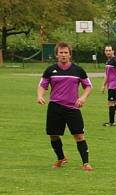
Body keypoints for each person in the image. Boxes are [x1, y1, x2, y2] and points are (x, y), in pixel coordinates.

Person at [37, 41, 93, 171]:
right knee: (53, 134)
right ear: (56, 55)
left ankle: (86, 163)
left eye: (66, 53)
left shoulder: (78, 70)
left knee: (79, 135)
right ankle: (61, 158)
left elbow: (88, 86)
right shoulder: (50, 70)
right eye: (61, 53)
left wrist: (83, 97)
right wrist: (40, 96)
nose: (63, 55)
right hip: (55, 106)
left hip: (72, 108)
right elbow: (42, 85)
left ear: (70, 55)